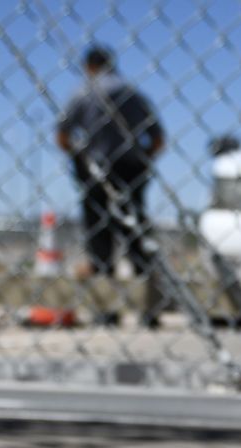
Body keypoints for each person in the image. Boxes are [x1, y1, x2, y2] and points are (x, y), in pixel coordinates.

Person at [56, 45, 165, 325]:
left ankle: (105, 310)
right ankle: (147, 308)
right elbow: (157, 137)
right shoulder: (132, 94)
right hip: (130, 169)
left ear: (88, 66)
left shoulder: (82, 93)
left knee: (99, 238)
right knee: (135, 234)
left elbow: (62, 134)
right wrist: (143, 160)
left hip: (95, 171)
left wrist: (78, 160)